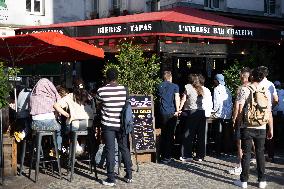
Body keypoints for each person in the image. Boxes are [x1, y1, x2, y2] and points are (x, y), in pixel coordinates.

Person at [233, 67, 273, 189]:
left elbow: (239, 110)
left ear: (251, 77)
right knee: (260, 153)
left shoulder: (244, 90)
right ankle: (262, 181)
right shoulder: (266, 90)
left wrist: (238, 124)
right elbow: (269, 112)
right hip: (261, 126)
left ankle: (244, 181)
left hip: (247, 125)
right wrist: (271, 128)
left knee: (246, 154)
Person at [96, 68, 133, 186]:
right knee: (124, 148)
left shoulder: (101, 90)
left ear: (106, 78)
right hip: (122, 125)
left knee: (110, 150)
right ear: (117, 77)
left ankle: (111, 178)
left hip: (108, 124)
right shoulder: (124, 89)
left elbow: (97, 105)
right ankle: (129, 175)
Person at [53, 79, 95, 155]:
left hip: (75, 124)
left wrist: (66, 114)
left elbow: (56, 105)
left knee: (67, 130)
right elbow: (94, 110)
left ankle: (75, 146)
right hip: (89, 124)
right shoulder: (89, 96)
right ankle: (82, 146)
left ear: (73, 87)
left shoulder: (70, 96)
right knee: (83, 132)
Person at [179, 74, 206, 162]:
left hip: (192, 112)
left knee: (188, 134)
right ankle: (200, 156)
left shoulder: (188, 87)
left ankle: (187, 155)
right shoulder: (201, 88)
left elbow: (183, 99)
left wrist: (179, 109)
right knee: (200, 135)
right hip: (201, 112)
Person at [29, 78, 62, 151]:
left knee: (37, 134)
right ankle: (57, 149)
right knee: (59, 130)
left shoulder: (32, 96)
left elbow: (29, 110)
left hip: (35, 126)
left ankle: (39, 152)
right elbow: (57, 112)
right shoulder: (50, 96)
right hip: (50, 125)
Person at [229, 67, 251, 175]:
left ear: (242, 76)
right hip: (254, 119)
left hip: (243, 119)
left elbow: (238, 106)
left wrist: (234, 119)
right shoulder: (254, 87)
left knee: (240, 143)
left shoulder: (241, 88)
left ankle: (241, 166)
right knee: (251, 142)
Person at [157, 71, 180, 163]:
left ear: (164, 77)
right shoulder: (175, 86)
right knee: (170, 135)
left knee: (164, 133)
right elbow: (177, 98)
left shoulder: (159, 86)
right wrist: (177, 110)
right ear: (170, 77)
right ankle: (168, 156)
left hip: (162, 112)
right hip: (171, 112)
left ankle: (162, 155)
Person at [258, 66, 278, 163]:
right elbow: (276, 99)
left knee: (258, 133)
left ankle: (259, 155)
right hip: (268, 111)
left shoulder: (257, 84)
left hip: (259, 111)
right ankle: (271, 156)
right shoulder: (271, 84)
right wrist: (271, 107)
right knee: (270, 133)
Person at [211, 74, 233, 155]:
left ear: (217, 80)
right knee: (226, 133)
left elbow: (217, 102)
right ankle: (226, 150)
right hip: (228, 114)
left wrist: (213, 111)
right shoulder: (227, 89)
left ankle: (218, 150)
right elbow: (230, 102)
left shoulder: (217, 89)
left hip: (219, 113)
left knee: (218, 132)